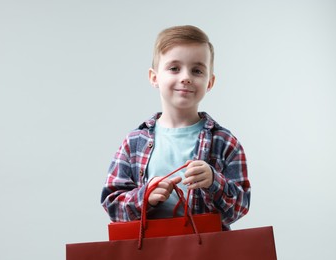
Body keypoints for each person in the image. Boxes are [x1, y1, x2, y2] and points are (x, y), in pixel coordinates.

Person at [101, 25, 250, 230]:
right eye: (174, 68)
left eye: (197, 70)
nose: (185, 77)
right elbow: (112, 205)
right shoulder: (134, 142)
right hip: (152, 251)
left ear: (210, 82)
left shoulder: (225, 142)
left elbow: (240, 208)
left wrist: (214, 182)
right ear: (154, 77)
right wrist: (145, 197)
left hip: (208, 251)